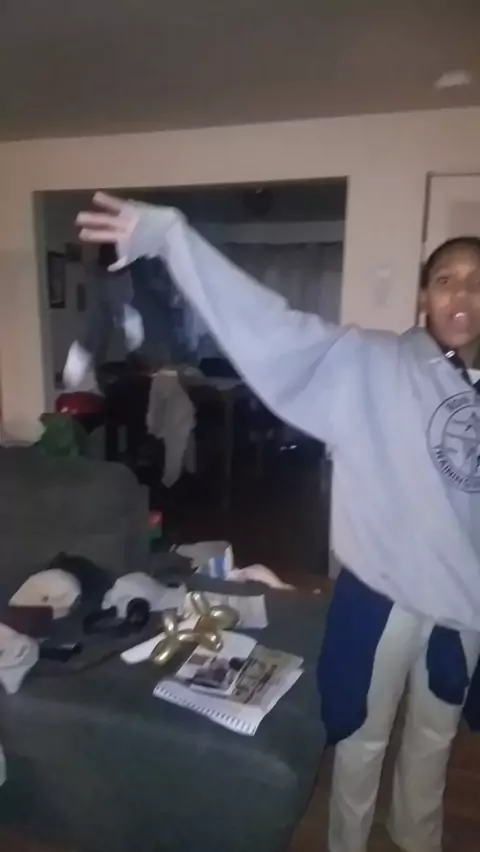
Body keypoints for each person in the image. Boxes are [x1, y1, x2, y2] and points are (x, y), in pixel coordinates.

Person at [76, 192, 480, 852]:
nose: (461, 294)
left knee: (435, 739)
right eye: (445, 279)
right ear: (423, 296)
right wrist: (178, 240)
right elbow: (275, 328)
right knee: (363, 736)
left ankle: (418, 839)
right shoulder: (374, 363)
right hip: (386, 595)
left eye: (475, 281)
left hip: (464, 604)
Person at [63, 242, 144, 389]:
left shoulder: (128, 277)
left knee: (130, 326)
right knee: (92, 340)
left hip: (122, 323)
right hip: (104, 321)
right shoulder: (95, 273)